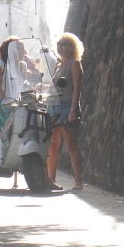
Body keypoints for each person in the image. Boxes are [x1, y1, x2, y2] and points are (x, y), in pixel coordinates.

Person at [46, 32, 84, 191]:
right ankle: (50, 179)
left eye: (64, 44)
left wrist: (73, 110)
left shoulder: (74, 64)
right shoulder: (58, 65)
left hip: (67, 105)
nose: (60, 46)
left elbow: (77, 88)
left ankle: (78, 181)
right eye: (59, 43)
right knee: (52, 144)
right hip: (53, 105)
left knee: (70, 145)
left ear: (72, 47)